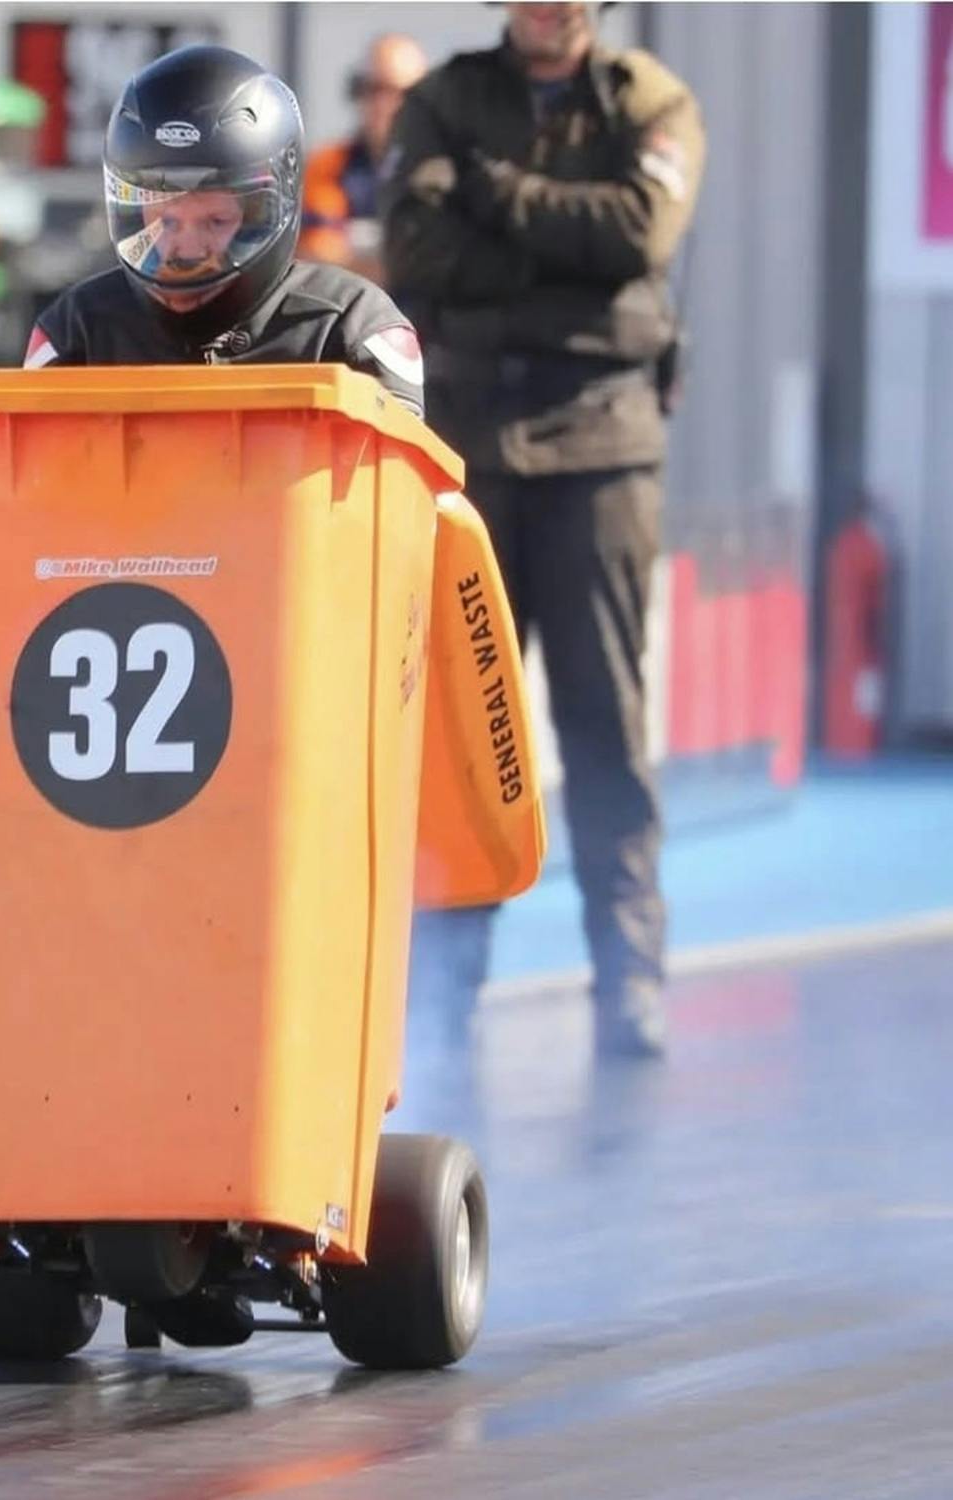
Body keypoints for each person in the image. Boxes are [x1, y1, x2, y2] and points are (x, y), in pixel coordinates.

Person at [380, 2, 705, 1058]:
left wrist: (498, 195)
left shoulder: (650, 100)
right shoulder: (443, 100)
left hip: (602, 442)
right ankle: (442, 999)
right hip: (471, 444)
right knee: (460, 735)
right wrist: (568, 251)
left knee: (605, 719)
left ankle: (629, 982)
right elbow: (419, 250)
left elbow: (639, 235)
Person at [25, 43, 426, 424]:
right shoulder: (79, 330)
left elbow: (400, 487)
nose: (187, 249)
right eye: (165, 221)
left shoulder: (349, 328)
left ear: (270, 210)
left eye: (216, 221)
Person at [298, 33, 427, 282]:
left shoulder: (448, 170)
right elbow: (317, 258)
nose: (381, 104)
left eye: (396, 92)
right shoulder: (328, 165)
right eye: (372, 89)